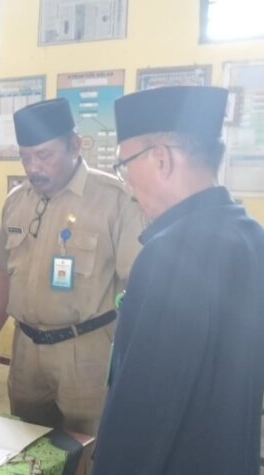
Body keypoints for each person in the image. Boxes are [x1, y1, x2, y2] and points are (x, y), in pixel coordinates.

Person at [93, 86, 264, 474]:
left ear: (161, 158)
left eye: (125, 165)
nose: (127, 185)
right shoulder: (251, 235)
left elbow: (144, 411)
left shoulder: (170, 255)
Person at [0, 98, 144, 437]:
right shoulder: (17, 201)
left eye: (44, 155)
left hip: (87, 352)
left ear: (75, 146)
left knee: (88, 448)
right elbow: (3, 276)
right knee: (28, 446)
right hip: (26, 350)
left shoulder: (115, 199)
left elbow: (136, 287)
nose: (33, 167)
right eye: (25, 157)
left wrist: (130, 361)